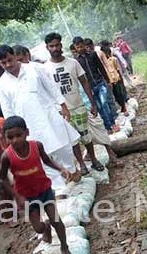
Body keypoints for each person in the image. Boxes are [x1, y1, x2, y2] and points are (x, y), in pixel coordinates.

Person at [0, 45, 81, 192]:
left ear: (15, 56)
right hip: (26, 124)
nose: (8, 65)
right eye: (4, 63)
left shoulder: (34, 68)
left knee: (62, 147)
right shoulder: (2, 82)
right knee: (41, 155)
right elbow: (7, 108)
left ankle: (71, 173)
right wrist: (11, 130)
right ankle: (59, 187)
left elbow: (51, 87)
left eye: (10, 60)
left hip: (48, 115)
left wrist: (63, 106)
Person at [0, 116, 78, 254]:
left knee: (57, 220)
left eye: (18, 135)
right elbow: (2, 178)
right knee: (39, 229)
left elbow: (47, 160)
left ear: (26, 132)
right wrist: (16, 196)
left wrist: (61, 169)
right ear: (5, 138)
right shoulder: (6, 157)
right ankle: (45, 227)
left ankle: (64, 247)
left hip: (44, 190)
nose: (15, 140)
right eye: (10, 137)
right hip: (27, 197)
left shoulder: (37, 146)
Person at [44, 32, 106, 175]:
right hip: (61, 111)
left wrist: (93, 103)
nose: (55, 48)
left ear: (61, 45)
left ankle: (94, 160)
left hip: (78, 106)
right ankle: (81, 164)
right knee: (72, 140)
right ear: (47, 47)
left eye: (57, 45)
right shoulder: (45, 68)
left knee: (86, 136)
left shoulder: (73, 63)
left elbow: (84, 82)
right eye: (51, 46)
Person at [73, 37, 119, 133]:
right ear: (75, 47)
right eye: (78, 47)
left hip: (100, 82)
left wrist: (108, 81)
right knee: (99, 107)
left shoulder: (93, 55)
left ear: (84, 45)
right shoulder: (76, 61)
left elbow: (101, 68)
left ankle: (113, 123)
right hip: (89, 87)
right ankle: (107, 127)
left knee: (104, 103)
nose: (80, 49)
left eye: (81, 46)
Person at [101, 45, 129, 116]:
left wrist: (121, 78)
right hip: (110, 81)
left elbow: (118, 69)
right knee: (115, 95)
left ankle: (124, 107)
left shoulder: (113, 59)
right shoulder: (102, 63)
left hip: (116, 79)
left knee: (119, 94)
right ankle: (121, 106)